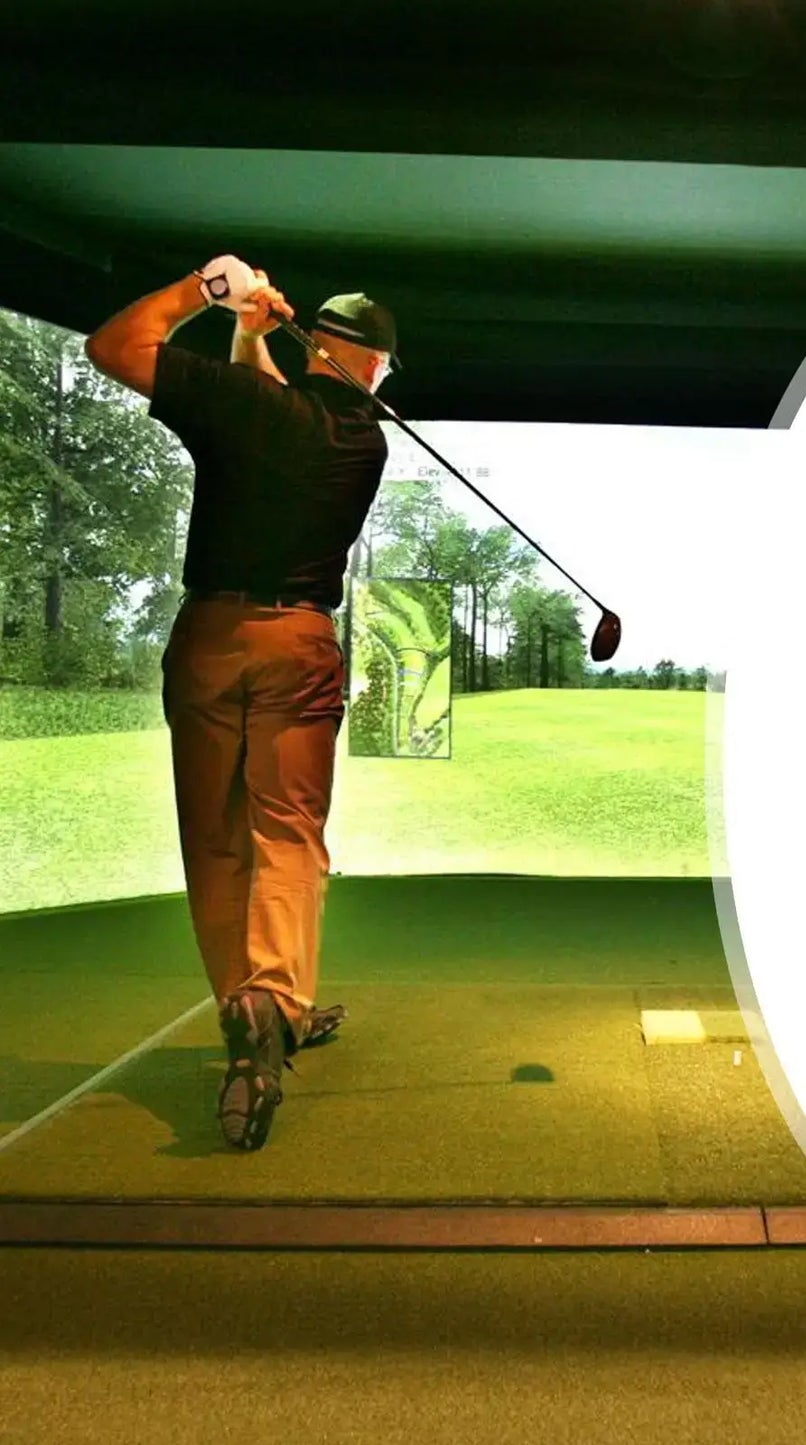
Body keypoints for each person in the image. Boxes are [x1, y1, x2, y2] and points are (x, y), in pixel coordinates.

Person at [84, 256, 398, 1151]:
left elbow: (115, 345)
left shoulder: (245, 407)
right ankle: (273, 1002)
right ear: (370, 367)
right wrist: (249, 333)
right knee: (287, 830)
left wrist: (204, 292)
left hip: (211, 644)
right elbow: (274, 413)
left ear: (316, 348)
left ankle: (249, 1006)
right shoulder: (361, 438)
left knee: (218, 835)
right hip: (298, 644)